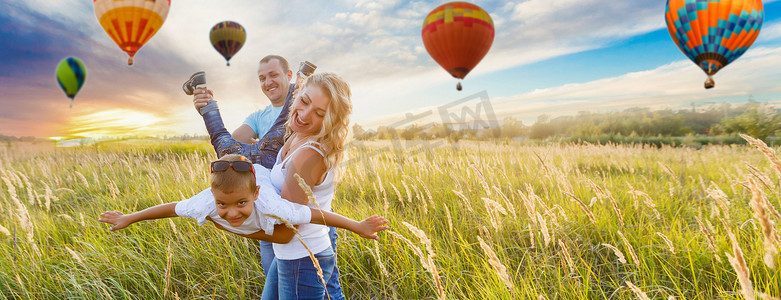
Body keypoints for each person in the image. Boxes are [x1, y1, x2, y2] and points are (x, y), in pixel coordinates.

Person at [193, 72, 355, 299]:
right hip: (291, 254)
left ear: (331, 120)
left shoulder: (308, 156)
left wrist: (228, 225)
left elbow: (286, 233)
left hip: (303, 257)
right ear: (297, 93)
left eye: (319, 113)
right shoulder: (297, 135)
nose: (305, 114)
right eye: (304, 101)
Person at [97, 154, 388, 243]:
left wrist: (357, 226)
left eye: (240, 204)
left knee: (271, 141)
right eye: (222, 204)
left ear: (255, 196)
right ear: (213, 196)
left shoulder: (270, 204)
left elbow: (314, 214)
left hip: (259, 169)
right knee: (221, 138)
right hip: (242, 170)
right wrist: (129, 218)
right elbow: (171, 208)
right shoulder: (205, 202)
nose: (232, 212)